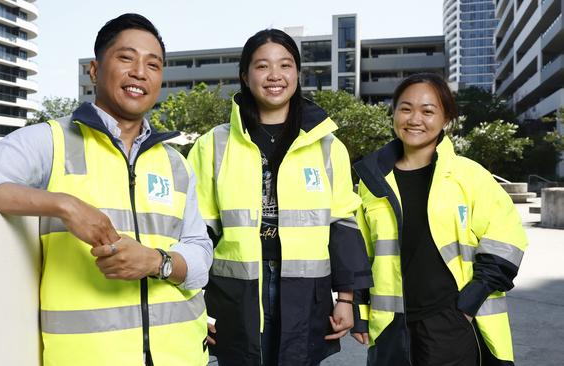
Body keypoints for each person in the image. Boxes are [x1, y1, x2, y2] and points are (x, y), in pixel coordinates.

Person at [0, 13, 212, 366]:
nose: (140, 72)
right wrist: (63, 205)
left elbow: (201, 255)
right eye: (126, 58)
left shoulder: (176, 163)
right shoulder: (52, 141)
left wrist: (157, 261)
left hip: (183, 356)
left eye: (153, 64)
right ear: (94, 70)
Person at [187, 29, 373, 366]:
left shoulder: (328, 146)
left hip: (307, 292)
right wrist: (193, 300)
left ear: (297, 74)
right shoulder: (213, 144)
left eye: (285, 65)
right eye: (262, 66)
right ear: (245, 75)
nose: (275, 76)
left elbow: (343, 225)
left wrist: (347, 298)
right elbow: (196, 232)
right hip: (235, 293)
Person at [351, 73, 528, 366]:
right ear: (393, 113)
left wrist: (470, 301)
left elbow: (507, 239)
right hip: (391, 325)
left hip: (450, 321)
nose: (414, 118)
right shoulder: (372, 181)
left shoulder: (469, 175)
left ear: (446, 118)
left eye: (428, 110)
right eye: (405, 108)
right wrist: (359, 309)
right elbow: (361, 251)